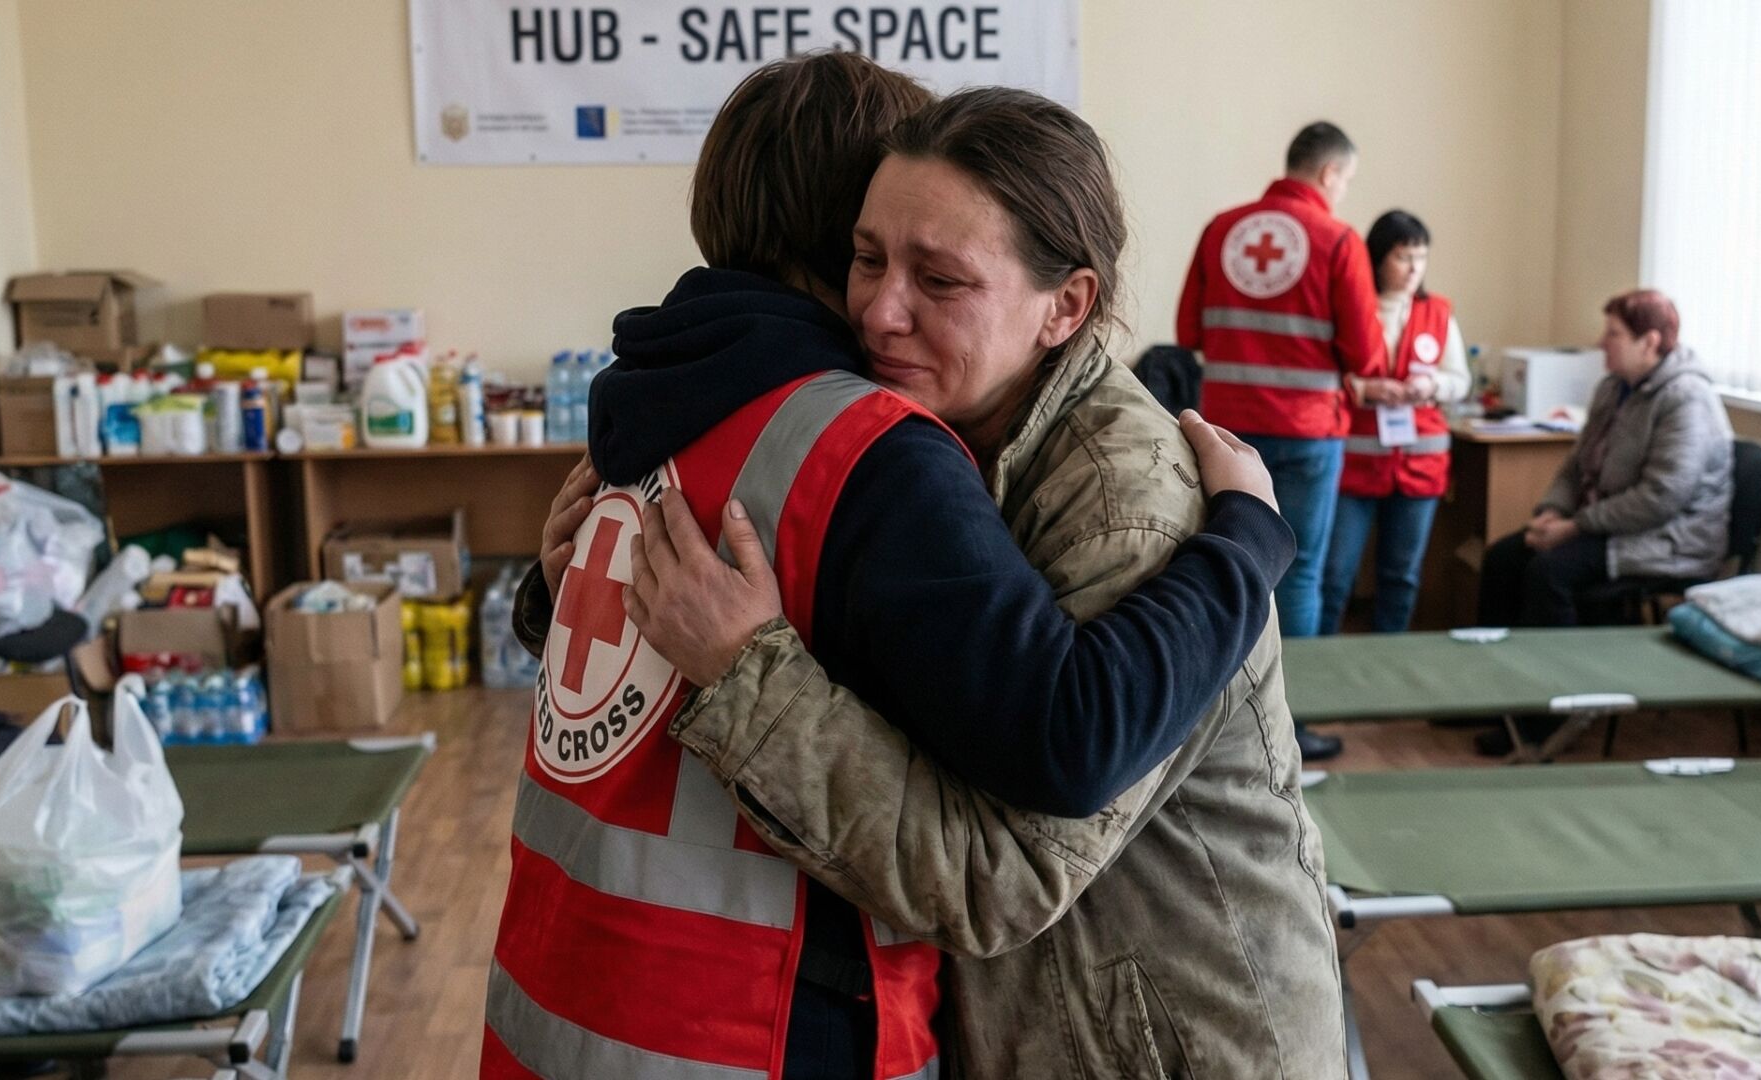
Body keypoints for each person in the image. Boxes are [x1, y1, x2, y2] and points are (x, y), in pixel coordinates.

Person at [491, 54, 1300, 1080]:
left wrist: (1250, 543)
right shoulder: (879, 436)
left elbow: (1024, 824)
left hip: (1167, 1044)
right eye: (868, 258)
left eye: (940, 275)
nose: (879, 311)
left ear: (1066, 304)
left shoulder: (1114, 493)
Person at [1176, 120, 1388, 761]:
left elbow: (1189, 326)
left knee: (1230, 565)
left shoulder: (1222, 228)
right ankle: (1291, 729)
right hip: (1306, 434)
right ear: (1329, 173)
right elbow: (1368, 354)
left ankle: (1219, 724)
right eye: (1345, 181)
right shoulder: (1338, 240)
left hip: (1228, 433)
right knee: (1300, 577)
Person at [1478, 288, 1733, 630]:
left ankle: (1553, 677)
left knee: (1549, 572)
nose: (1601, 342)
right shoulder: (1612, 388)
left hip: (1668, 538)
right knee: (1502, 558)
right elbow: (1576, 465)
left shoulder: (1686, 398)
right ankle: (1494, 665)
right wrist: (1553, 512)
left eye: (1614, 334)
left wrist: (1575, 526)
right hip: (1608, 524)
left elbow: (1661, 497)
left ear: (1649, 342)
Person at [1319, 210, 1469, 634]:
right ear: (1379, 257)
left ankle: (1389, 666)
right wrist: (1368, 391)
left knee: (1401, 576)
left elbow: (1461, 382)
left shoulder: (1438, 311)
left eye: (1420, 257)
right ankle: (1321, 666)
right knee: (1335, 575)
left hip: (1420, 463)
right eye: (1403, 257)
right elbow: (1332, 375)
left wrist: (1432, 385)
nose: (1413, 268)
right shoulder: (1353, 305)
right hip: (1355, 462)